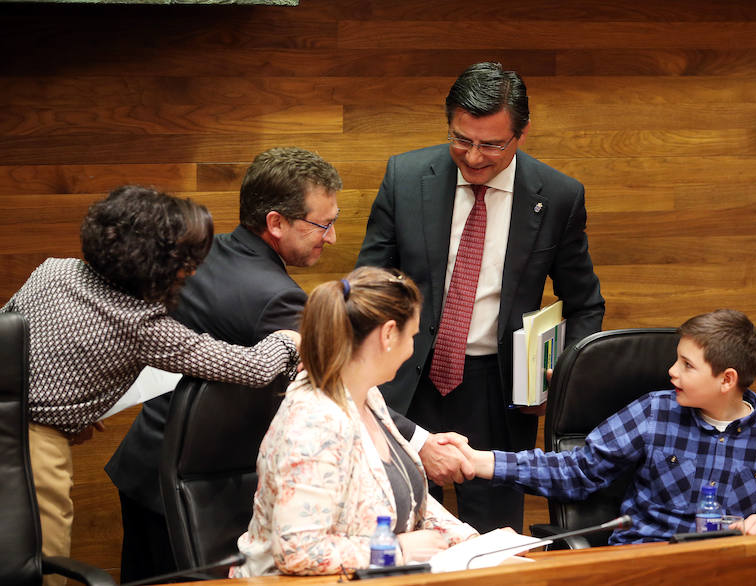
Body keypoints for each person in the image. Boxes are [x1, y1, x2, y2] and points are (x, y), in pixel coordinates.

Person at [106, 147, 471, 583]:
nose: (332, 237)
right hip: (193, 480)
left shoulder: (212, 253)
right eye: (323, 223)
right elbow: (345, 379)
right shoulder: (275, 299)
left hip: (151, 462)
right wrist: (421, 443)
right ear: (275, 222)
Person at [1, 186, 301, 585]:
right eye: (186, 260)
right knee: (39, 572)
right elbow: (252, 368)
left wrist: (66, 403)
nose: (192, 271)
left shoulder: (54, 269)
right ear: (155, 261)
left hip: (13, 421)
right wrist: (289, 339)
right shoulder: (143, 325)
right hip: (31, 452)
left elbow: (13, 343)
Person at [356, 62, 605, 532]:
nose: (472, 157)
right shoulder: (406, 177)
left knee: (491, 537)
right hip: (406, 380)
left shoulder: (557, 196)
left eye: (491, 144)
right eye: (461, 139)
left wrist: (562, 376)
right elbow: (368, 281)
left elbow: (585, 303)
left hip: (498, 391)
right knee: (397, 528)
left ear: (522, 133)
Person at [454, 309, 756, 543]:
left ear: (727, 380)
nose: (672, 371)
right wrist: (479, 462)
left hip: (731, 569)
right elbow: (578, 470)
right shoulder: (655, 412)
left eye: (687, 366)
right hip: (647, 562)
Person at [232, 267, 479, 577]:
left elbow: (410, 500)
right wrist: (397, 549)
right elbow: (298, 551)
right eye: (412, 336)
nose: (413, 348)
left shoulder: (368, 396)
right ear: (388, 334)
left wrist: (475, 544)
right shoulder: (313, 422)